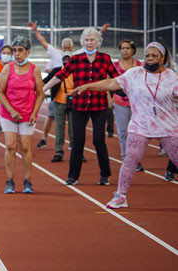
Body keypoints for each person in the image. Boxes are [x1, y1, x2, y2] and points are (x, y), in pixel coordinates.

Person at [69, 42, 178, 209]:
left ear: (162, 58)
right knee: (130, 160)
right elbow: (112, 83)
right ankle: (120, 196)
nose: (149, 59)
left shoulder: (172, 77)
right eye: (147, 55)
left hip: (168, 126)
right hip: (140, 126)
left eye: (154, 56)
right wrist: (87, 86)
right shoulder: (134, 74)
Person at [43, 27, 119, 186]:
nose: (89, 42)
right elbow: (60, 75)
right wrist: (43, 88)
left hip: (99, 106)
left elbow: (117, 79)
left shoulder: (105, 59)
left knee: (99, 140)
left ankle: (105, 175)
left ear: (98, 42)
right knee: (77, 141)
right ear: (82, 42)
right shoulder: (76, 59)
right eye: (86, 40)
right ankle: (73, 176)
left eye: (92, 40)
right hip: (79, 105)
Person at [0, 37, 45, 194]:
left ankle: (27, 181)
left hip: (27, 114)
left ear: (27, 52)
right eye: (15, 50)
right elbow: (0, 92)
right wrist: (11, 110)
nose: (17, 54)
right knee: (10, 146)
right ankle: (9, 181)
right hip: (8, 113)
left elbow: (40, 94)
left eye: (20, 50)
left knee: (25, 146)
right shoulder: (7, 69)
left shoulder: (35, 70)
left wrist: (34, 112)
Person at [28, 22, 76, 150]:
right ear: (61, 46)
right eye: (64, 45)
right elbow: (44, 43)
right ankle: (44, 138)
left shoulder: (77, 57)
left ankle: (73, 144)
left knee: (73, 123)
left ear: (72, 47)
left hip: (72, 95)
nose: (66, 47)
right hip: (57, 93)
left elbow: (91, 45)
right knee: (50, 117)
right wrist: (36, 31)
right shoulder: (56, 54)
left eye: (68, 46)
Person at [111, 39, 143, 167]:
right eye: (122, 48)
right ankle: (126, 158)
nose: (124, 50)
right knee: (123, 131)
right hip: (120, 102)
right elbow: (110, 82)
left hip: (138, 103)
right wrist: (109, 98)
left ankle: (136, 158)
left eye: (127, 48)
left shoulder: (140, 66)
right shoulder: (115, 66)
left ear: (133, 50)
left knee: (137, 133)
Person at [42, 55, 74, 162]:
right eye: (64, 60)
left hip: (73, 102)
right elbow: (45, 80)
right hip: (58, 102)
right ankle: (59, 152)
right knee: (59, 127)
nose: (66, 62)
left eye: (68, 60)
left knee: (73, 128)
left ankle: (76, 152)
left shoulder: (77, 71)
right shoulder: (57, 71)